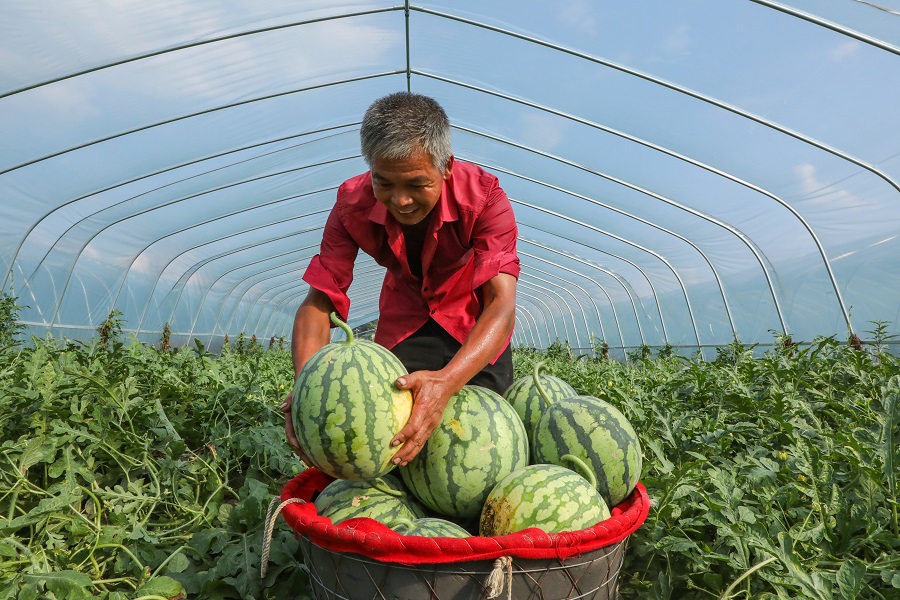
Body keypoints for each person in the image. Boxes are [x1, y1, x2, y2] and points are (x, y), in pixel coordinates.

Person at [281, 91, 519, 467]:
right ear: (370, 168)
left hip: (474, 325)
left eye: (415, 184)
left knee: (481, 453)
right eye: (385, 183)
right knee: (395, 450)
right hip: (405, 321)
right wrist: (307, 384)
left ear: (446, 167)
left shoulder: (485, 197)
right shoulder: (350, 204)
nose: (401, 200)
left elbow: (501, 304)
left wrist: (447, 382)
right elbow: (321, 299)